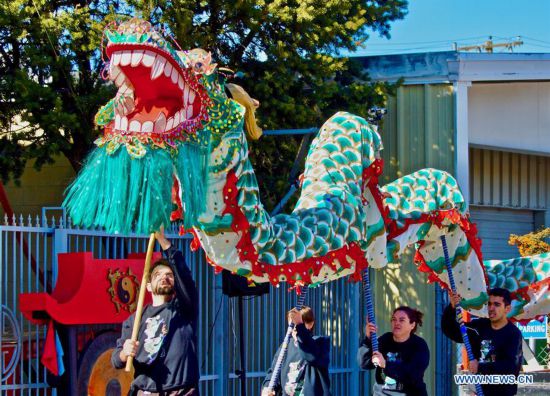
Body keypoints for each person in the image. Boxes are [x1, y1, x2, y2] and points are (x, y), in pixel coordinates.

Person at [111, 229, 199, 396]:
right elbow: (116, 360)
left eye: (169, 275)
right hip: (146, 391)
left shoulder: (184, 310)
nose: (165, 277)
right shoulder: (135, 319)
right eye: (158, 275)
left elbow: (184, 275)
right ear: (149, 286)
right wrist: (124, 353)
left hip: (180, 392)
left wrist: (163, 240)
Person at [442, 288, 523, 396]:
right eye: (489, 304)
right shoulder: (479, 327)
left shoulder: (513, 334)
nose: (491, 308)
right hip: (478, 391)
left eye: (497, 304)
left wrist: (480, 367)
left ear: (507, 309)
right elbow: (453, 331)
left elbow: (510, 367)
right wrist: (451, 308)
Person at [357, 306, 429, 396]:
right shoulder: (385, 339)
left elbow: (412, 374)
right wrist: (368, 339)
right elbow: (364, 364)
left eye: (401, 320)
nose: (396, 323)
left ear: (412, 325)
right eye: (394, 319)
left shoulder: (419, 346)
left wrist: (385, 365)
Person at [261, 306, 331, 396]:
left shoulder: (320, 343)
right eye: (292, 323)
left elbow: (312, 356)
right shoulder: (284, 347)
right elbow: (273, 373)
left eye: (298, 323)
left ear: (311, 324)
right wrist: (267, 388)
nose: (294, 327)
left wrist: (300, 325)